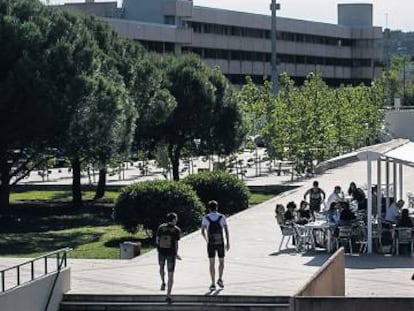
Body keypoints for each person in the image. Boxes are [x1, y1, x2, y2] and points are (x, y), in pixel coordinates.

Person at [201, 200, 230, 291]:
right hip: (220, 242)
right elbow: (226, 230)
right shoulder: (222, 217)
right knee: (221, 262)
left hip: (211, 244)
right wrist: (228, 242)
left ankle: (213, 283)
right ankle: (220, 278)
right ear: (217, 207)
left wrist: (206, 240)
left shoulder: (206, 218)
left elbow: (202, 231)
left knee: (211, 263)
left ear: (209, 208)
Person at [156, 212, 182, 304]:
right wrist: (176, 254)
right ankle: (168, 295)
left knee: (161, 268)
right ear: (174, 220)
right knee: (171, 275)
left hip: (161, 252)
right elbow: (176, 244)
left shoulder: (161, 227)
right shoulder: (176, 230)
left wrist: (159, 249)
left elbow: (157, 240)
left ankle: (163, 282)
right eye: (176, 218)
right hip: (171, 254)